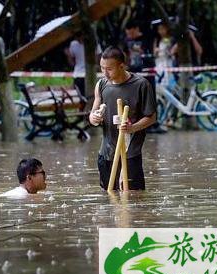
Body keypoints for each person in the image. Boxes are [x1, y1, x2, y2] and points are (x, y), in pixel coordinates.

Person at [89, 46, 157, 190]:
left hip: (130, 153)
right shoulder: (101, 84)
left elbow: (151, 118)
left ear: (121, 66)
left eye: (109, 69)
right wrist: (94, 118)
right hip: (106, 153)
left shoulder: (141, 84)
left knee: (134, 200)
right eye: (102, 68)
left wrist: (132, 128)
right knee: (108, 200)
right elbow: (92, 114)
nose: (105, 73)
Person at [122, 20, 166, 134]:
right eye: (128, 34)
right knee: (137, 99)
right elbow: (125, 54)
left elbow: (149, 52)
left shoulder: (147, 38)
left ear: (137, 29)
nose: (130, 36)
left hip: (147, 71)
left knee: (150, 97)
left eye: (131, 33)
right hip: (134, 73)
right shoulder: (126, 41)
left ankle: (153, 123)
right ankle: (139, 123)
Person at [64, 32, 101, 96]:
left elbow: (98, 58)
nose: (78, 40)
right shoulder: (73, 44)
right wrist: (69, 56)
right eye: (77, 38)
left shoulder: (94, 44)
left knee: (90, 98)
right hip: (80, 75)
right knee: (84, 99)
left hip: (89, 75)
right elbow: (72, 63)